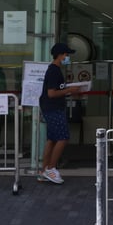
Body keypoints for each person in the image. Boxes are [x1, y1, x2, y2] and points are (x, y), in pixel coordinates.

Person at [38, 42, 76, 184]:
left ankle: (44, 170)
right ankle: (51, 169)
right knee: (63, 137)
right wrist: (69, 90)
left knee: (52, 139)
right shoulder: (54, 71)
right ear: (60, 55)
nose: (68, 57)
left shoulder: (53, 70)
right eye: (66, 55)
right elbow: (52, 93)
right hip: (54, 108)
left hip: (49, 108)